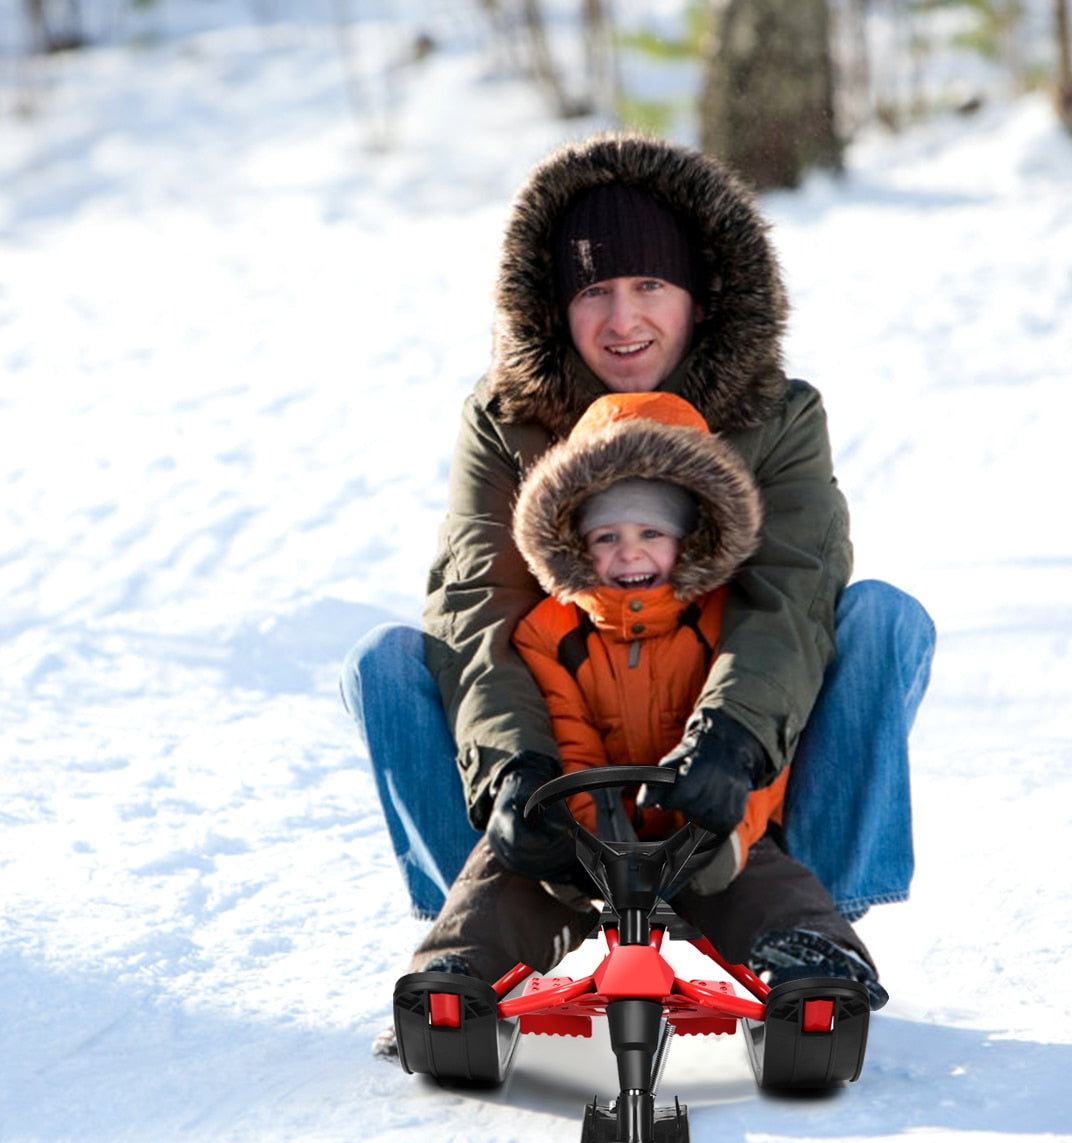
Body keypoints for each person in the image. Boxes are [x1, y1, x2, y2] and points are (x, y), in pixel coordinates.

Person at [340, 131, 935, 990]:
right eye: (594, 291)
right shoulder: (509, 422)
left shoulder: (777, 415)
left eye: (650, 285)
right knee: (388, 664)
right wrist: (518, 772)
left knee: (881, 619)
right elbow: (479, 606)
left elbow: (791, 596)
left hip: (729, 790)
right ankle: (480, 923)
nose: (624, 321)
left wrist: (729, 744)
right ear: (554, 306)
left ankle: (809, 921)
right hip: (562, 774)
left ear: (700, 295)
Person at [393, 388, 888, 1013]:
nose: (629, 552)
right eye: (606, 536)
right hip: (584, 839)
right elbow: (565, 738)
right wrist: (566, 832)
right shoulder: (549, 632)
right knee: (503, 872)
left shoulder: (720, 623)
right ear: (574, 542)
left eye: (652, 532)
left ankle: (810, 964)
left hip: (704, 826)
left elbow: (762, 750)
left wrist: (725, 829)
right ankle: (457, 980)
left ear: (691, 538)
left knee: (763, 880)